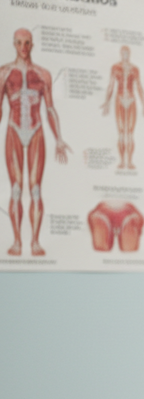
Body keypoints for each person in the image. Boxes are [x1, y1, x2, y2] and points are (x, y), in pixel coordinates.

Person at [2, 28, 71, 257]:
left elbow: (50, 108)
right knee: (15, 189)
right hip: (13, 129)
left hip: (36, 131)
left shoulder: (43, 74)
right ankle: (17, 241)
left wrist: (59, 138)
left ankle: (34, 241)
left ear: (32, 45)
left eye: (27, 43)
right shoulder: (3, 73)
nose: (23, 47)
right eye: (19, 42)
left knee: (35, 190)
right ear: (14, 44)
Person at [100, 45, 144, 170]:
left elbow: (139, 86)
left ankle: (130, 161)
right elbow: (111, 85)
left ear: (130, 54)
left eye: (127, 53)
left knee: (130, 133)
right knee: (122, 133)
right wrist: (106, 101)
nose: (125, 55)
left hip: (131, 100)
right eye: (123, 53)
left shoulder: (135, 69)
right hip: (120, 99)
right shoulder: (115, 68)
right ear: (120, 54)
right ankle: (122, 161)